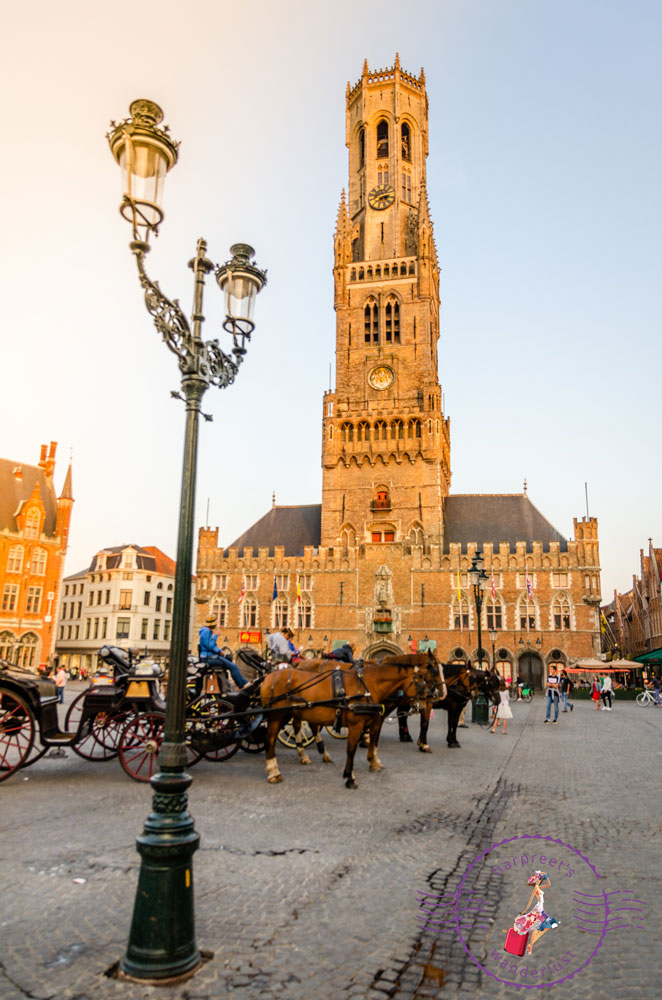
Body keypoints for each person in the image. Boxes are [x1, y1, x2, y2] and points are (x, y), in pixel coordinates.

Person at [510, 872, 559, 955]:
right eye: (538, 880)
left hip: (541, 910)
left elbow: (549, 884)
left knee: (549, 925)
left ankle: (530, 945)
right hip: (537, 910)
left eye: (540, 880)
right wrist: (524, 910)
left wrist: (546, 876)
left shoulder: (538, 887)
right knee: (542, 925)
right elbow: (530, 901)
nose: (539, 881)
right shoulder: (536, 888)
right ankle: (530, 946)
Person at [199, 614, 248, 688]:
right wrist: (216, 637)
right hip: (209, 658)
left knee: (230, 661)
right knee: (232, 666)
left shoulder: (205, 631)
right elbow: (210, 646)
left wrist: (220, 651)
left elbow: (211, 645)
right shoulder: (206, 632)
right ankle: (242, 684)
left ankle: (241, 683)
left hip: (210, 657)